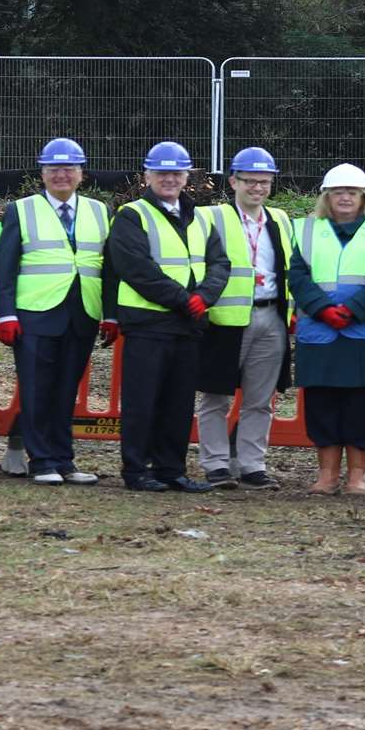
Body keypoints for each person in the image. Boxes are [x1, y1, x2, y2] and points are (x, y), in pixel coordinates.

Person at [104, 141, 230, 492]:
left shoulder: (200, 217)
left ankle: (170, 469)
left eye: (176, 173)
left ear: (187, 176)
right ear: (147, 175)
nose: (169, 179)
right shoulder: (132, 215)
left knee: (178, 402)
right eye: (162, 173)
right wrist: (183, 300)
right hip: (148, 322)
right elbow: (136, 269)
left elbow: (220, 263)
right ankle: (136, 470)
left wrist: (204, 297)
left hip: (188, 324)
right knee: (142, 401)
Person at [0, 137, 113, 486]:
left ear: (81, 174)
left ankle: (64, 460)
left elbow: (106, 268)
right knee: (36, 389)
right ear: (42, 173)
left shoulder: (98, 211)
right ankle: (41, 460)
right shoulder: (22, 209)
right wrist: (7, 314)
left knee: (66, 390)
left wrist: (110, 313)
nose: (61, 175)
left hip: (82, 312)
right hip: (35, 313)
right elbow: (7, 267)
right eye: (53, 169)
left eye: (69, 169)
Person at [290, 164, 365, 496]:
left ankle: (357, 477)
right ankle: (327, 476)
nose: (345, 198)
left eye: (352, 192)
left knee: (363, 405)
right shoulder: (307, 231)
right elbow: (297, 275)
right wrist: (323, 308)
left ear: (364, 197)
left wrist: (353, 311)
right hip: (320, 333)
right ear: (326, 196)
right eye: (338, 192)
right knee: (322, 405)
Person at [194, 146, 292, 490]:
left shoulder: (279, 219)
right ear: (233, 181)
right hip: (225, 318)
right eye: (250, 181)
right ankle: (216, 464)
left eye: (264, 182)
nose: (257, 188)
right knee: (215, 396)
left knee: (260, 399)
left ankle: (252, 465)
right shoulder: (212, 217)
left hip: (270, 316)